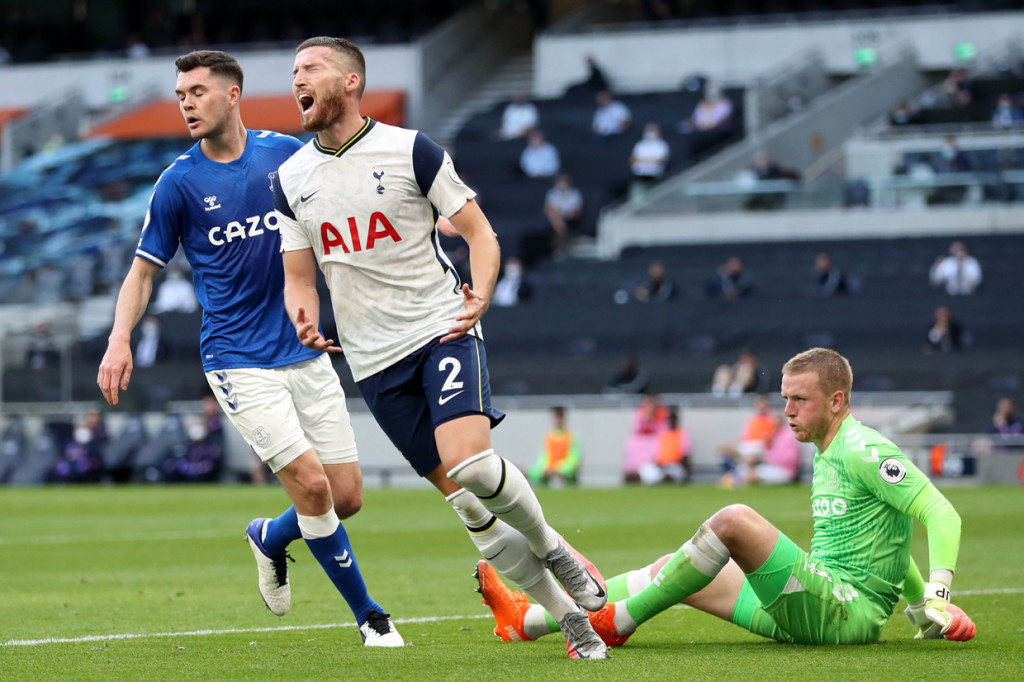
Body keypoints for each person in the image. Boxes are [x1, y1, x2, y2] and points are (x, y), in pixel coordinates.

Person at [274, 37, 608, 660]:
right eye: (294, 71)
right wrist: (304, 318)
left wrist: (481, 294)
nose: (298, 79)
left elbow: (481, 233)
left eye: (311, 67)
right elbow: (299, 276)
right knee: (467, 507)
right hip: (372, 361)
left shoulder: (411, 149)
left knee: (472, 466)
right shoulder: (290, 179)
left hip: (440, 327)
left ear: (350, 82)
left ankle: (552, 546)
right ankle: (569, 619)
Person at [95, 50, 403, 647]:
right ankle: (371, 617)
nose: (186, 103)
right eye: (180, 94)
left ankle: (270, 536)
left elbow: (350, 195)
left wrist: (424, 216)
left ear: (232, 95)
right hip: (237, 358)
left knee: (345, 497)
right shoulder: (178, 182)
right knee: (313, 488)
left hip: (304, 348)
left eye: (197, 92)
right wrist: (119, 338)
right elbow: (142, 271)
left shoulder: (285, 154)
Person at [477, 348, 977, 647]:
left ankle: (617, 623)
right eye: (784, 397)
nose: (787, 410)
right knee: (674, 568)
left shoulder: (864, 450)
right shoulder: (829, 449)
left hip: (841, 611)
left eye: (799, 400)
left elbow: (940, 512)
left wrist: (937, 595)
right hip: (815, 600)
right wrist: (917, 606)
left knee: (734, 519)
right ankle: (529, 621)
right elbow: (888, 537)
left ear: (837, 400)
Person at [721, 413, 801, 488]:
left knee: (751, 476)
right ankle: (732, 481)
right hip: (772, 467)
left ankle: (735, 484)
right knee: (746, 469)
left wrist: (764, 457)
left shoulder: (788, 436)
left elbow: (790, 458)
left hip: (784, 470)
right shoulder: (774, 435)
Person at [527, 406, 580, 488]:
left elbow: (573, 460)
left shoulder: (571, 435)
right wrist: (545, 470)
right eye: (557, 417)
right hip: (549, 471)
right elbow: (543, 458)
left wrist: (558, 469)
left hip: (564, 473)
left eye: (560, 416)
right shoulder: (549, 436)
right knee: (529, 472)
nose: (558, 420)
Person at [622, 393, 669, 484]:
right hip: (640, 445)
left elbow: (664, 434)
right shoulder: (640, 412)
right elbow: (635, 429)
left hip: (654, 445)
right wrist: (647, 418)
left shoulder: (661, 413)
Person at [638, 407, 690, 485]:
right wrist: (659, 464)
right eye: (670, 419)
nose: (672, 421)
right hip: (661, 466)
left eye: (673, 419)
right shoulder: (662, 435)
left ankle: (666, 478)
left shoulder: (683, 435)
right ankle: (662, 478)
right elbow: (656, 454)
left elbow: (685, 456)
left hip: (674, 465)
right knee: (645, 468)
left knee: (676, 471)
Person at [542, 173, 583, 257]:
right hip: (556, 217)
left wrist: (565, 214)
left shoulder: (575, 193)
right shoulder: (552, 193)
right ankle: (564, 236)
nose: (562, 184)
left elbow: (577, 211)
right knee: (555, 218)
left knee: (556, 220)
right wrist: (559, 214)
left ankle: (560, 242)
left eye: (564, 181)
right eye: (560, 181)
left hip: (570, 217)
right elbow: (548, 208)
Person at [629, 122, 670, 187]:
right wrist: (650, 160)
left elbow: (660, 160)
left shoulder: (662, 145)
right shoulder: (640, 144)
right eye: (649, 130)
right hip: (639, 174)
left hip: (655, 175)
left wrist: (642, 160)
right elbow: (633, 158)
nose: (650, 133)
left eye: (652, 130)